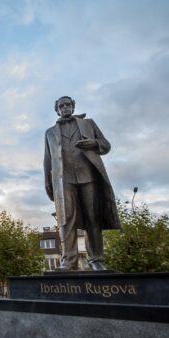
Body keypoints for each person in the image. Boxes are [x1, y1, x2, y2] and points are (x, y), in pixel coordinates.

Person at [44, 96, 120, 271]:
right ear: (57, 110)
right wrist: (47, 181)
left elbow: (106, 145)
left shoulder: (89, 124)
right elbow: (47, 160)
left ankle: (96, 260)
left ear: (72, 106)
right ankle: (68, 261)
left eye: (67, 105)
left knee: (92, 218)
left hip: (88, 176)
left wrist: (94, 143)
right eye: (61, 106)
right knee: (66, 219)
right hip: (64, 180)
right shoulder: (49, 132)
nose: (65, 108)